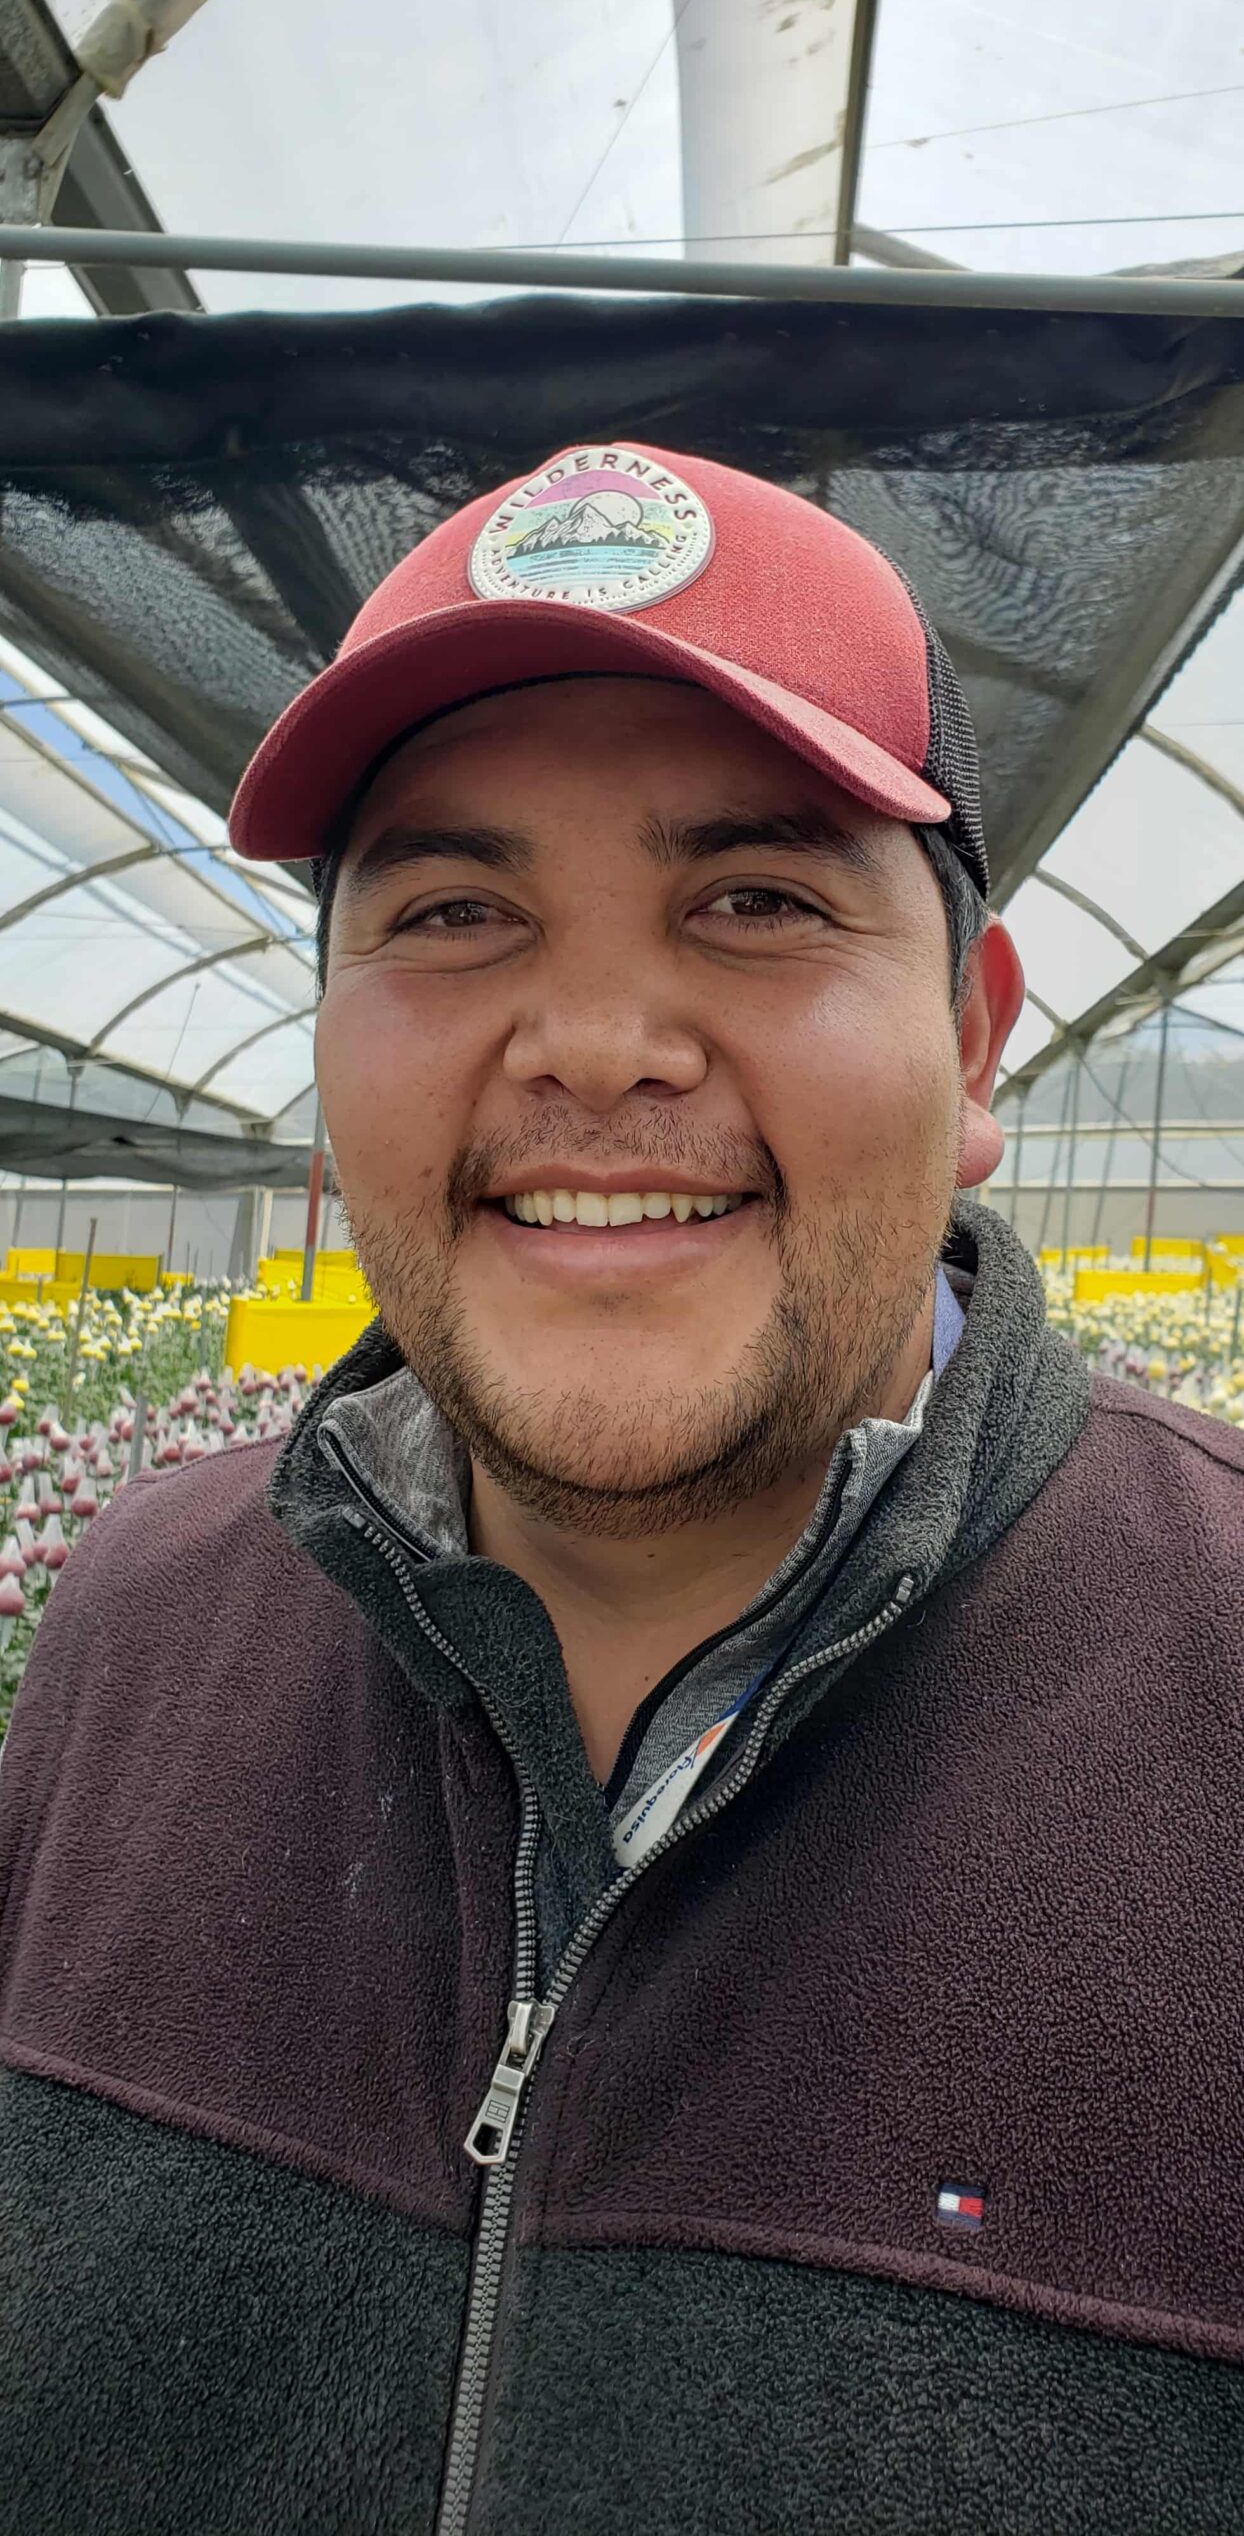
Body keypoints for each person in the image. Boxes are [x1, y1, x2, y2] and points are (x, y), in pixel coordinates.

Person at [2, 442, 1242, 2536]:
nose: (591, 1041)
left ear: (974, 1046)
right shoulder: (134, 1623)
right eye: (454, 912)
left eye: (755, 900)